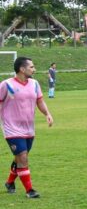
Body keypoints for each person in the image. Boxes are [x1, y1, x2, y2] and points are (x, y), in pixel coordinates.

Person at [2, 57, 54, 198]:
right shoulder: (6, 85)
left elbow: (40, 101)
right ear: (22, 69)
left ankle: (10, 182)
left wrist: (47, 114)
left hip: (29, 128)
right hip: (11, 128)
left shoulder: (34, 84)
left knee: (19, 158)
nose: (34, 69)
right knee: (23, 157)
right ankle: (29, 190)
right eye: (31, 67)